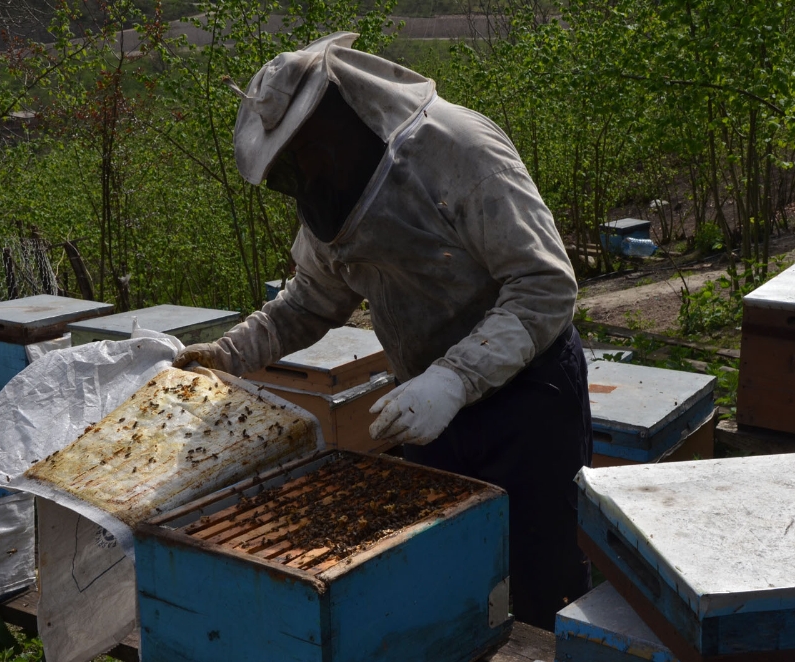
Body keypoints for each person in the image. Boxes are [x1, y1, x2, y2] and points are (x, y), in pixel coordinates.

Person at [173, 31, 592, 630]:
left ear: (337, 118)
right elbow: (310, 300)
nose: (298, 175)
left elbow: (545, 285)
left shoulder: (460, 150)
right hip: (425, 407)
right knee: (446, 585)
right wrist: (227, 354)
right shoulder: (330, 196)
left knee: (537, 586)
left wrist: (454, 378)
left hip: (528, 401)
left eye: (299, 154)